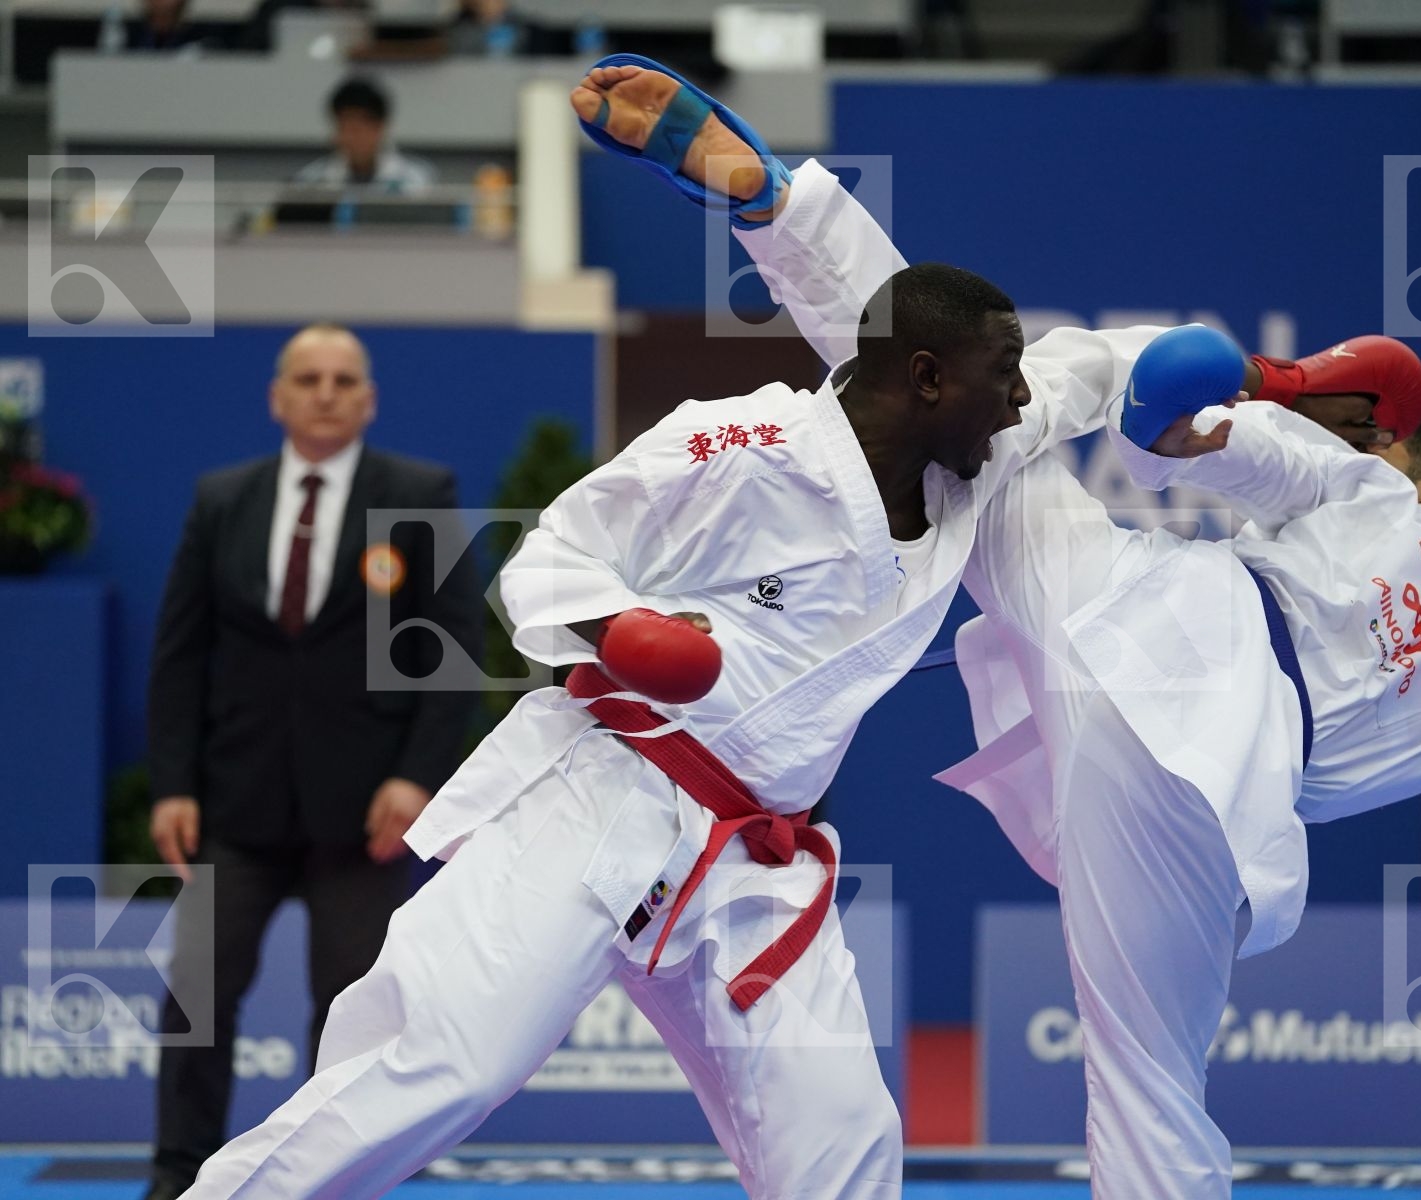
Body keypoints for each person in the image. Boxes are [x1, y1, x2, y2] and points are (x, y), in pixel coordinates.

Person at [174, 61, 1191, 1199]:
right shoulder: (739, 448)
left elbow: (1077, 370)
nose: (1018, 401)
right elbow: (546, 557)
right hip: (600, 795)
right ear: (922, 381)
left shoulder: (978, 453)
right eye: (997, 376)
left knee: (844, 1138)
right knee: (442, 1069)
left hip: (752, 861)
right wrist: (620, 632)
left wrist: (1249, 379)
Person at [668, 65, 1421, 1197]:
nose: (1375, 454)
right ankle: (782, 209)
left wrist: (1248, 392)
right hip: (1191, 764)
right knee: (1147, 1092)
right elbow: (1183, 426)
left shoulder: (1393, 517)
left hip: (1154, 667)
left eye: (1392, 450)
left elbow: (1173, 417)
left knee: (966, 417)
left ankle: (776, 203)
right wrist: (1253, 395)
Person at [144, 323, 481, 1200]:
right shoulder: (222, 499)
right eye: (308, 378)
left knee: (350, 1015)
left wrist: (415, 779)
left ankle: (334, 1180)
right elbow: (181, 651)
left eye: (342, 379)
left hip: (366, 809)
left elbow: (451, 651)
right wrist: (174, 783)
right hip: (235, 804)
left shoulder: (419, 492)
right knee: (193, 1002)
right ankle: (179, 1176)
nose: (325, 392)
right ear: (278, 397)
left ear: (368, 399)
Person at [290, 78, 435, 195]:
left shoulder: (416, 181)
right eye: (344, 128)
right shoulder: (310, 182)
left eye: (358, 129)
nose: (352, 138)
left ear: (381, 128)